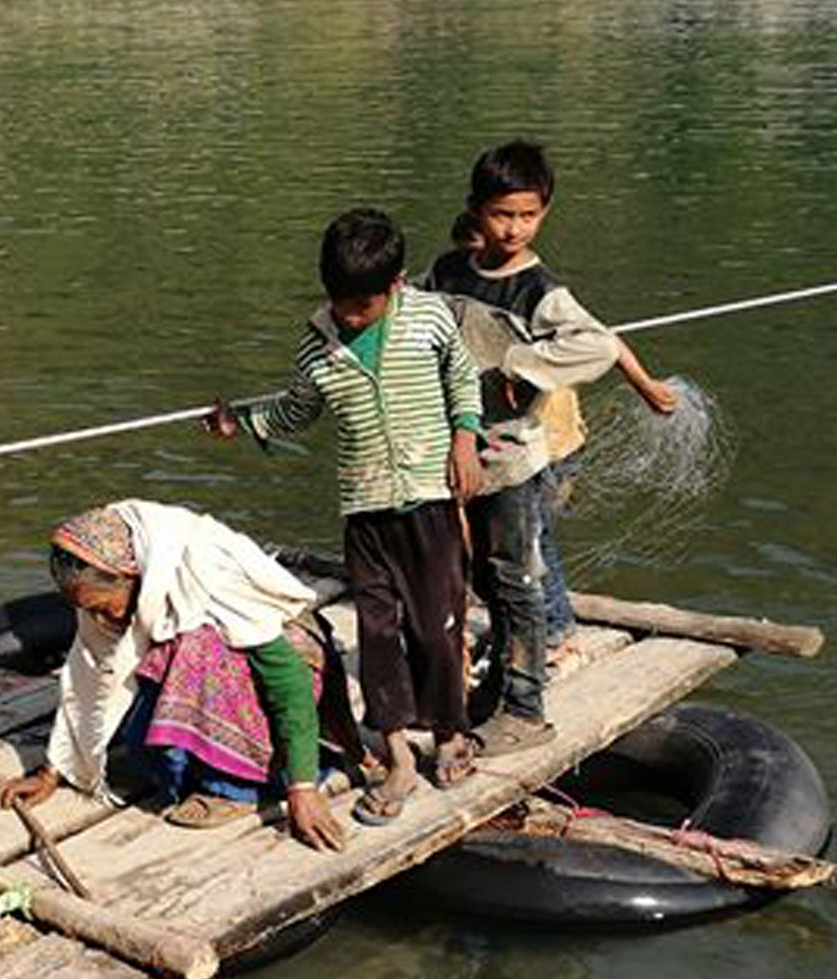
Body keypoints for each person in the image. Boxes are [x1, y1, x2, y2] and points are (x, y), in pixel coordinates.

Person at [206, 208, 483, 819]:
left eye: (364, 307)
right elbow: (298, 411)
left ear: (397, 284)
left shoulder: (430, 317)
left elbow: (462, 377)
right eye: (341, 305)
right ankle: (398, 759)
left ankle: (449, 734)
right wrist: (242, 421)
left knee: (436, 629)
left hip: (430, 499)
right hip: (365, 508)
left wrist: (466, 437)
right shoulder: (316, 342)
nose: (350, 317)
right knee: (378, 634)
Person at [425, 143, 669, 745]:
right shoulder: (451, 271)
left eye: (526, 216)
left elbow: (598, 346)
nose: (513, 228)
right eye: (502, 214)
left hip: (515, 455)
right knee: (482, 571)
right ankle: (497, 686)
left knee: (518, 576)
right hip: (461, 448)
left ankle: (525, 709)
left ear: (545, 213)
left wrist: (519, 361)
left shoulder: (541, 291)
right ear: (475, 210)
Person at [0, 502, 353, 852]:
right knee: (150, 733)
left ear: (132, 579)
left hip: (285, 658)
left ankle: (234, 789)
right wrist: (54, 771)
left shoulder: (204, 570)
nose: (102, 620)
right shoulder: (115, 577)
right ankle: (202, 760)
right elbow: (89, 674)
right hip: (206, 664)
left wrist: (303, 789)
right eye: (91, 612)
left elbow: (288, 680)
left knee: (193, 648)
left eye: (104, 608)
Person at [439, 206, 680, 648]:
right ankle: (541, 621)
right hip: (504, 442)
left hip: (552, 443)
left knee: (531, 540)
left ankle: (553, 627)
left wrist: (645, 385)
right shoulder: (457, 285)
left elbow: (606, 341)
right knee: (527, 539)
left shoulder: (537, 299)